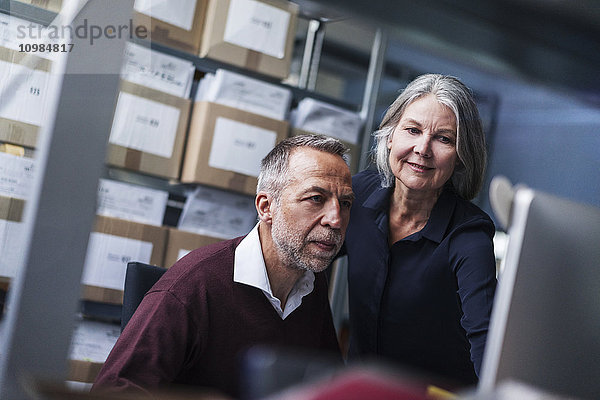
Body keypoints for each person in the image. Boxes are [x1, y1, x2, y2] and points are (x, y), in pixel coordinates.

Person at [92, 134, 354, 398]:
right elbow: (115, 390)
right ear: (266, 207)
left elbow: (329, 387)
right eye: (316, 199)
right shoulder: (194, 285)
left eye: (345, 204)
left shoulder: (310, 282)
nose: (335, 219)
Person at [344, 74, 497, 386]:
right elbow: (300, 253)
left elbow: (485, 339)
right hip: (360, 387)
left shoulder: (469, 236)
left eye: (443, 139)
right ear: (390, 136)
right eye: (412, 130)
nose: (422, 148)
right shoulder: (358, 194)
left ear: (461, 157)